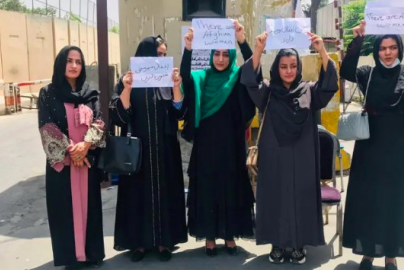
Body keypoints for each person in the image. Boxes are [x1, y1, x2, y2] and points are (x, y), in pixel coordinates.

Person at [341, 20, 404, 270]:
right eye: (382, 48)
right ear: (376, 51)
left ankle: (391, 255)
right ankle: (367, 253)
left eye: (393, 48)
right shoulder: (369, 73)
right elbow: (346, 72)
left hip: (401, 151)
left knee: (396, 203)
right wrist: (357, 40)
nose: (387, 53)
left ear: (399, 49)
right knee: (370, 202)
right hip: (370, 149)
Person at [240, 32, 339, 264]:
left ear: (299, 67)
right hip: (275, 154)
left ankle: (298, 244)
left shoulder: (310, 90)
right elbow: (250, 81)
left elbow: (330, 84)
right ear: (277, 68)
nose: (288, 71)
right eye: (283, 66)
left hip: (303, 155)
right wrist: (258, 49)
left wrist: (321, 50)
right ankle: (276, 244)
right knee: (275, 196)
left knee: (301, 197)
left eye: (293, 66)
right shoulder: (268, 91)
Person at [180, 21, 256, 257]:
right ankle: (210, 237)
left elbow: (254, 70)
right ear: (211, 55)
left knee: (231, 189)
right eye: (217, 54)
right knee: (208, 190)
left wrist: (242, 40)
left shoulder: (238, 77)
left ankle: (230, 235)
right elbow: (184, 78)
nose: (221, 59)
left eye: (225, 54)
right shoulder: (201, 78)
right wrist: (188, 49)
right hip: (206, 147)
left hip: (232, 146)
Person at [110, 35, 187, 263]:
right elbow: (119, 117)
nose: (161, 58)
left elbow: (179, 112)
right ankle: (138, 243)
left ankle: (165, 241)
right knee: (137, 194)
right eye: (158, 54)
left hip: (164, 151)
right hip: (138, 151)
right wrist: (126, 89)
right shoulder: (128, 79)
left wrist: (176, 87)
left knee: (165, 192)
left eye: (164, 54)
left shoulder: (167, 80)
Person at [37, 46, 106, 269]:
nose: (74, 65)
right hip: (64, 163)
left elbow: (99, 121)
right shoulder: (48, 93)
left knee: (91, 207)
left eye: (78, 61)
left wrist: (85, 145)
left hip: (87, 161)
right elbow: (46, 126)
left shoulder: (90, 93)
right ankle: (70, 258)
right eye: (69, 61)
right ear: (61, 63)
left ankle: (91, 253)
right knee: (64, 210)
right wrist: (71, 150)